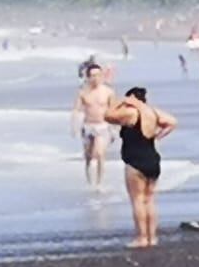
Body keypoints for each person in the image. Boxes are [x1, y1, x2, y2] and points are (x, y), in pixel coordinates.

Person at [106, 87, 176, 249]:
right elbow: (172, 122)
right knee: (150, 200)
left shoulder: (132, 113)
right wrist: (158, 136)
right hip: (152, 159)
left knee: (137, 200)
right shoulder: (153, 112)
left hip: (136, 161)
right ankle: (153, 237)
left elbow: (108, 116)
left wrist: (120, 102)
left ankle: (142, 237)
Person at [72, 63, 116, 190]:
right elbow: (76, 110)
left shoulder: (108, 92)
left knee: (100, 153)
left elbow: (113, 110)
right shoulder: (83, 93)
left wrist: (116, 128)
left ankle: (99, 183)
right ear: (87, 77)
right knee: (88, 156)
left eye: (98, 75)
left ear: (102, 76)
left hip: (103, 127)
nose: (95, 78)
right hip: (88, 126)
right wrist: (74, 126)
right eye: (92, 76)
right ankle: (89, 182)